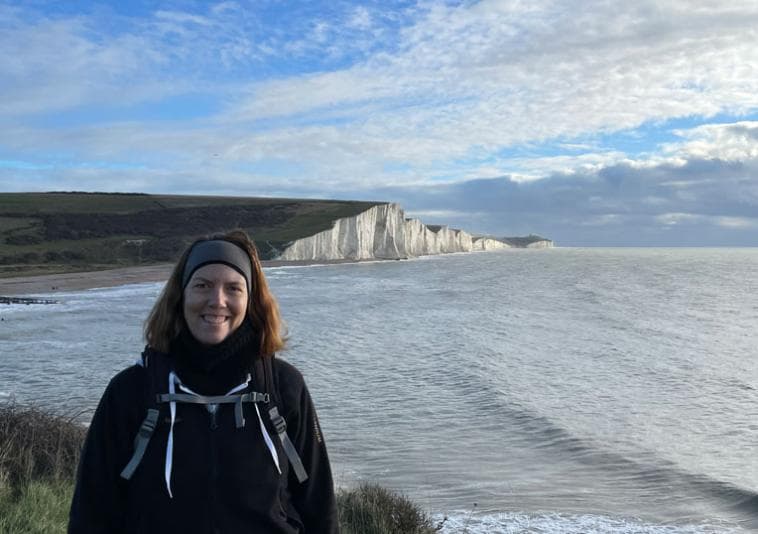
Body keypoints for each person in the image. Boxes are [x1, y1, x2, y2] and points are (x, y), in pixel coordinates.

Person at [69, 230, 338, 533]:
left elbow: (319, 506)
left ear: (250, 301)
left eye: (234, 288)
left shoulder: (284, 387)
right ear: (180, 295)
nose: (217, 301)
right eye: (203, 285)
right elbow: (91, 512)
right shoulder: (131, 391)